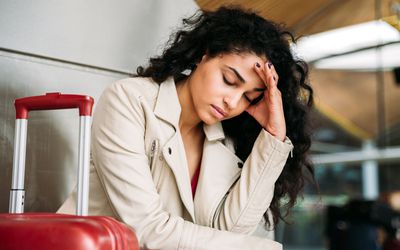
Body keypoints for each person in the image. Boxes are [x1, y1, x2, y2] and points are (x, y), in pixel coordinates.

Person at [58, 5, 314, 250]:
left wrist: (273, 138)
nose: (233, 102)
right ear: (205, 54)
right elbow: (146, 228)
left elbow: (231, 231)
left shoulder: (224, 140)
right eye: (229, 80)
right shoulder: (129, 101)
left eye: (250, 97)